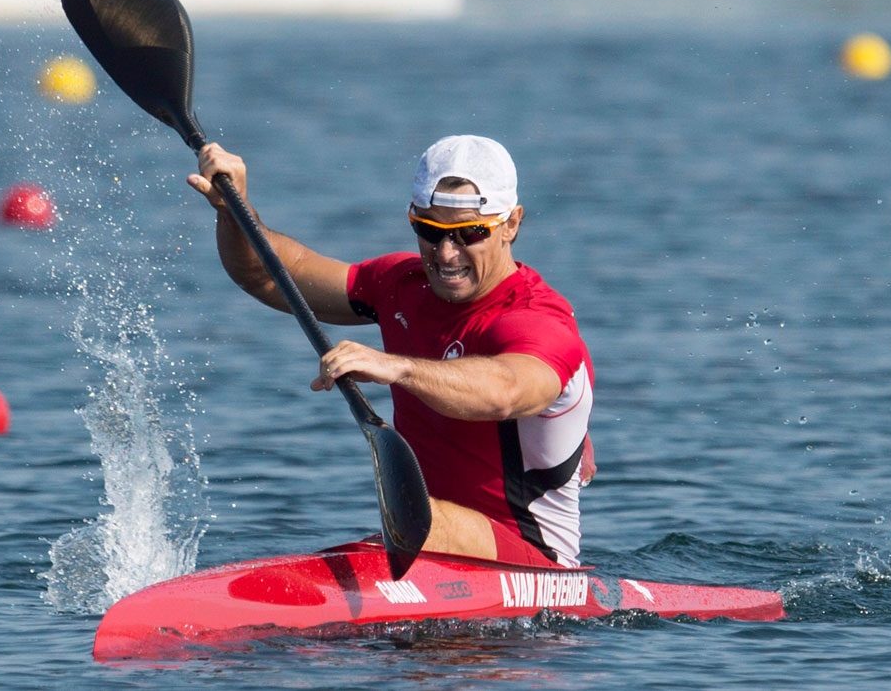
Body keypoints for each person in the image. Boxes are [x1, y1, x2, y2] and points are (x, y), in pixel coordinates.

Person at [187, 135, 595, 567]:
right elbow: (268, 278)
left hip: (533, 560)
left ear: (511, 224)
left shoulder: (538, 320)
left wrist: (396, 367)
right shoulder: (401, 286)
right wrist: (233, 211)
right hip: (424, 541)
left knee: (414, 527)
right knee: (408, 530)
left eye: (469, 233)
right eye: (430, 232)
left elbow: (506, 391)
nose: (446, 254)